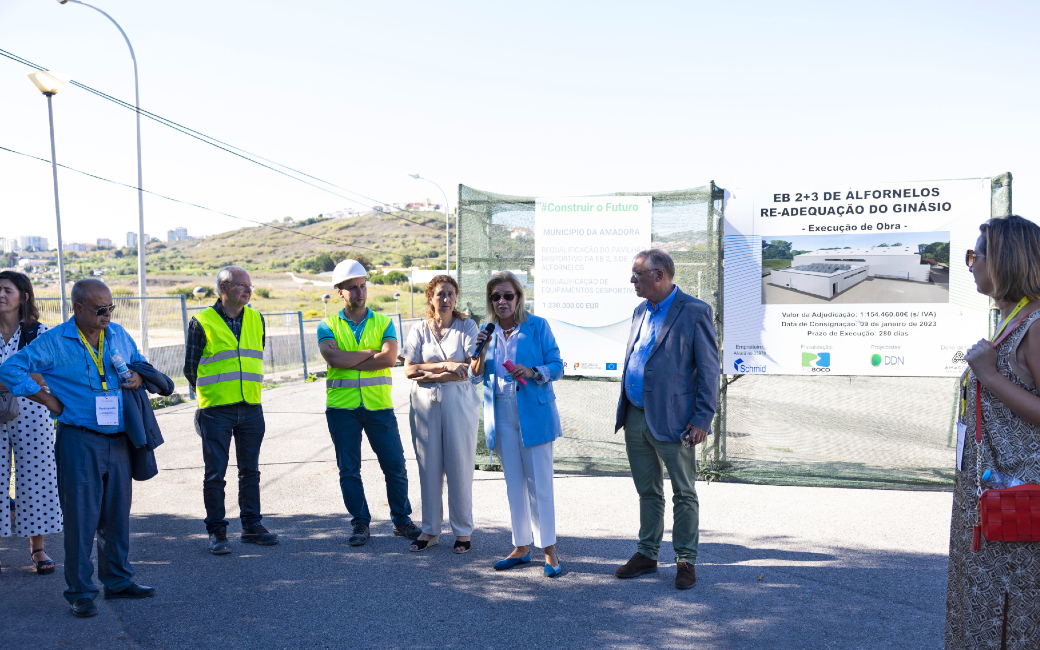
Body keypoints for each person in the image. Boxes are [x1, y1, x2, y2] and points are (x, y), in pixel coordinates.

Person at [0, 278, 154, 618]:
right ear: (78, 308)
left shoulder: (118, 335)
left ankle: (118, 581)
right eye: (99, 309)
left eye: (110, 308)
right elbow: (10, 368)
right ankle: (81, 592)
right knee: (82, 519)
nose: (106, 315)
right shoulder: (56, 341)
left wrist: (139, 378)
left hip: (119, 439)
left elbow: (139, 361)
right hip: (79, 439)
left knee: (116, 518)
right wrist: (47, 400)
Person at [946, 215, 1040, 650]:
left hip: (1021, 499)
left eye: (975, 255)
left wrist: (989, 374)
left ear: (1004, 260)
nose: (970, 265)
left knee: (1015, 608)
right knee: (986, 604)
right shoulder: (1013, 320)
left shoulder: (1036, 326)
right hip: (991, 495)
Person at [613, 249, 719, 590]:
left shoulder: (695, 311)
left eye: (637, 274)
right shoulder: (639, 311)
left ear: (659, 276)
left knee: (684, 492)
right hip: (635, 415)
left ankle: (686, 560)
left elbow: (709, 370)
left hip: (675, 420)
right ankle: (647, 554)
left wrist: (702, 418)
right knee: (648, 491)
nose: (632, 280)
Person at [319, 259, 421, 546]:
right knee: (349, 469)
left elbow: (389, 359)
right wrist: (369, 352)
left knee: (395, 466)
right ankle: (360, 524)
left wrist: (351, 359)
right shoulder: (326, 325)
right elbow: (334, 359)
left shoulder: (384, 322)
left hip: (378, 407)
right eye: (352, 288)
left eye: (363, 286)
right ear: (339, 291)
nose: (360, 292)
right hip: (341, 409)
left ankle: (401, 521)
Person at [470, 271, 564, 577]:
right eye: (495, 297)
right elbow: (473, 375)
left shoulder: (537, 326)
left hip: (533, 411)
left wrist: (534, 371)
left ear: (518, 298)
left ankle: (549, 550)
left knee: (541, 485)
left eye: (507, 295)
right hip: (501, 412)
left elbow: (557, 366)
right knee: (514, 485)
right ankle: (521, 547)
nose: (502, 301)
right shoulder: (487, 332)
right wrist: (480, 351)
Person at [184, 265, 278, 554]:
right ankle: (217, 531)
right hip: (216, 410)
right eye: (241, 285)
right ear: (223, 288)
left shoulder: (257, 318)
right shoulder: (201, 321)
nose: (248, 290)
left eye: (249, 285)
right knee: (216, 473)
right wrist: (213, 394)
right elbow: (190, 369)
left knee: (250, 471)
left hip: (251, 406)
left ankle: (251, 526)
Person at [402, 275, 480, 554]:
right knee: (428, 466)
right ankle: (430, 530)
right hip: (424, 404)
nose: (445, 299)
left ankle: (462, 532)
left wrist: (429, 371)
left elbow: (471, 367)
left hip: (459, 403)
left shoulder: (466, 326)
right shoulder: (419, 329)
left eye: (450, 294)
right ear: (430, 298)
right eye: (439, 294)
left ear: (456, 297)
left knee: (459, 465)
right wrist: (447, 366)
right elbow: (410, 370)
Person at [0, 271, 62, 575]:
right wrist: (18, 378)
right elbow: (29, 376)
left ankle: (38, 549)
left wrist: (10, 379)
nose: (1, 295)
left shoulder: (40, 334)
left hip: (33, 413)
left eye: (7, 290)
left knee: (37, 478)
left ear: (24, 297)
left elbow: (46, 374)